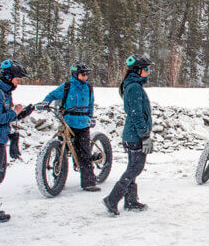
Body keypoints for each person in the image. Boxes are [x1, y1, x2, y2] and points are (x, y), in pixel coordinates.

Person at [0, 60, 34, 222]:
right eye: (18, 79)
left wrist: (22, 113)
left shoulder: (4, 92)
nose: (19, 82)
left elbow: (6, 118)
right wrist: (15, 111)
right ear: (9, 77)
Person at [103, 55, 154, 216]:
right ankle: (112, 198)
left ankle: (131, 200)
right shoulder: (134, 88)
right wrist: (144, 135)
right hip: (135, 136)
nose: (148, 72)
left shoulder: (133, 86)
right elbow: (136, 114)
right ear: (138, 71)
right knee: (135, 168)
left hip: (133, 134)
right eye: (146, 69)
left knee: (133, 167)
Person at [37, 63, 100, 191]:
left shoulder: (88, 87)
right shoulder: (67, 86)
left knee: (84, 153)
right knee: (61, 150)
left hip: (83, 123)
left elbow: (91, 104)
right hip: (68, 121)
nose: (85, 77)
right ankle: (58, 178)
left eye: (87, 74)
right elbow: (52, 95)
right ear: (75, 75)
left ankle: (89, 182)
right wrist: (45, 102)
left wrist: (91, 117)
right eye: (83, 74)